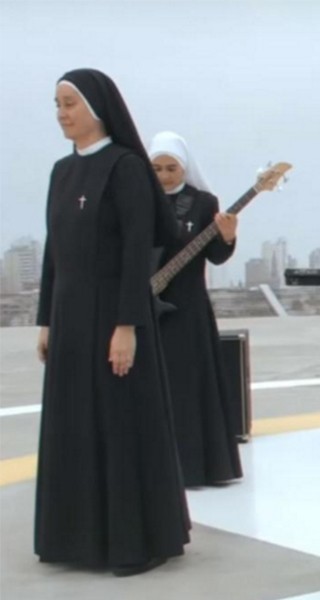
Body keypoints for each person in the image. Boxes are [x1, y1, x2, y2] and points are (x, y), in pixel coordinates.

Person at [36, 68, 189, 576]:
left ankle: (136, 540)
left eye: (70, 103)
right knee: (74, 424)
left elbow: (134, 255)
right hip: (69, 318)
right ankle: (75, 538)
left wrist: (128, 325)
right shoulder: (61, 171)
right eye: (57, 103)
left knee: (120, 423)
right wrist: (45, 321)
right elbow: (54, 253)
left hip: (115, 315)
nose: (61, 112)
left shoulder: (124, 167)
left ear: (98, 109)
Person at [148, 130, 243, 487]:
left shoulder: (203, 202)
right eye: (156, 168)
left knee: (190, 388)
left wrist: (228, 236)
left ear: (184, 167)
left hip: (188, 312)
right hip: (148, 309)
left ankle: (196, 467)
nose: (164, 176)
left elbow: (217, 256)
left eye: (171, 168)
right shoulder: (142, 199)